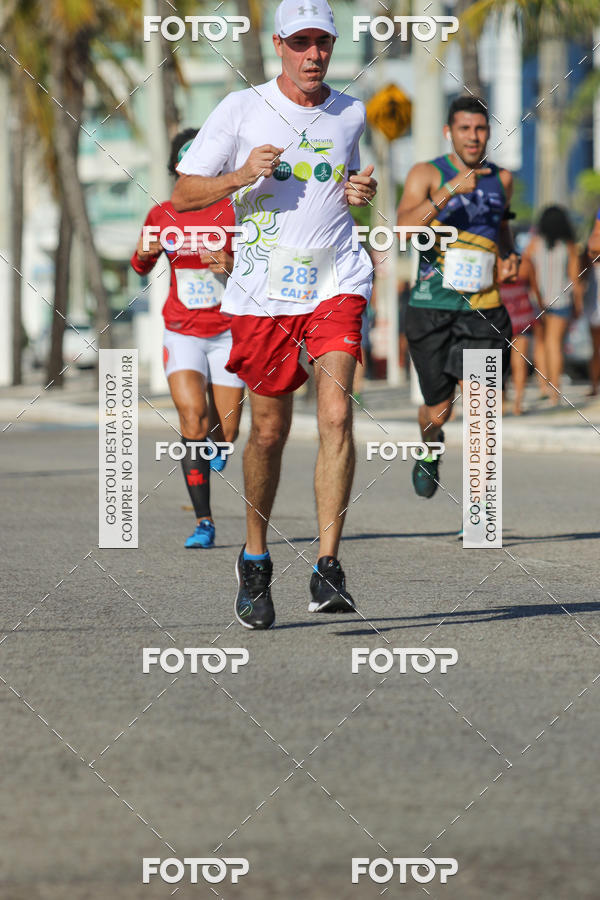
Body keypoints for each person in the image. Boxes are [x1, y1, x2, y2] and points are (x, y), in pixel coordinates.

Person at [172, 0, 376, 629]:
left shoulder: (351, 112)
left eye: (325, 43)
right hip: (264, 291)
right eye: (303, 43)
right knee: (267, 433)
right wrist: (237, 176)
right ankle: (255, 558)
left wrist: (357, 195)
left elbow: (334, 188)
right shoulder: (240, 108)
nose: (315, 54)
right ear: (280, 45)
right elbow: (182, 193)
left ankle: (327, 566)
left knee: (337, 413)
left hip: (335, 280)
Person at [396, 95, 519, 499]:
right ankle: (429, 448)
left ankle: (479, 513)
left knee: (484, 412)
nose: (474, 136)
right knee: (439, 410)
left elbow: (500, 227)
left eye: (481, 128)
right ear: (450, 132)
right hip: (432, 307)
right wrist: (449, 190)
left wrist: (509, 254)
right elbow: (402, 231)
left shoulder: (501, 180)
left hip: (484, 310)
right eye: (465, 128)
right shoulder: (427, 173)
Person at [131, 129, 245, 549]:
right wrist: (144, 255)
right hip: (182, 329)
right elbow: (140, 263)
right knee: (192, 418)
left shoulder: (236, 209)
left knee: (227, 433)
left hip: (229, 330)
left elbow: (259, 263)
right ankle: (204, 521)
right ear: (178, 170)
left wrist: (232, 263)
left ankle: (220, 444)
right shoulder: (163, 214)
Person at [523, 206, 583, 405]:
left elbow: (525, 270)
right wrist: (578, 304)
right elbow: (575, 279)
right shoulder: (569, 246)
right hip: (562, 299)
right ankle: (555, 390)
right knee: (555, 345)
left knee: (540, 344)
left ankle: (542, 385)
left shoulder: (534, 244)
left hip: (537, 300)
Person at [499, 256, 542, 415]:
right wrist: (541, 309)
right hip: (523, 314)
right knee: (520, 361)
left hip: (500, 315)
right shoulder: (526, 262)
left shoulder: (495, 262)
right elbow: (535, 289)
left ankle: (502, 402)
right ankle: (518, 403)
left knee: (499, 361)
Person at [585, 213, 600, 396]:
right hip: (594, 301)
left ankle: (594, 386)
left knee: (595, 347)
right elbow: (593, 246)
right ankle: (594, 385)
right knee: (594, 347)